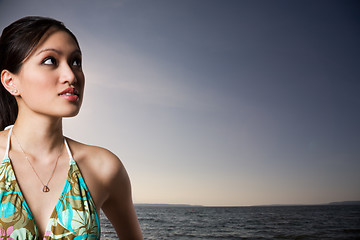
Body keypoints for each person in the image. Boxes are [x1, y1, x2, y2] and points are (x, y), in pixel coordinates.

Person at [0, 16, 143, 239]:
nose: (71, 75)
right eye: (50, 61)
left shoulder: (103, 168)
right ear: (11, 82)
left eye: (75, 62)